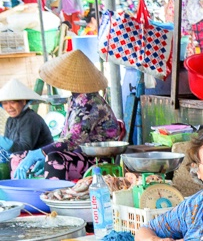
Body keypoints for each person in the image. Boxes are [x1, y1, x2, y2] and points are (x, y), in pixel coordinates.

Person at [13, 50, 122, 180]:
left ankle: (55, 196)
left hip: (97, 161)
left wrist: (42, 153)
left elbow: (73, 140)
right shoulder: (75, 99)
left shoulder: (89, 101)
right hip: (78, 154)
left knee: (54, 159)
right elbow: (64, 137)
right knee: (17, 156)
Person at [0, 79, 52, 175]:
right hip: (18, 160)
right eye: (5, 103)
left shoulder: (30, 118)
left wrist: (7, 144)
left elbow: (25, 148)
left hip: (38, 164)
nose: (9, 107)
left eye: (12, 102)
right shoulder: (10, 120)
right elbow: (8, 150)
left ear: (23, 101)